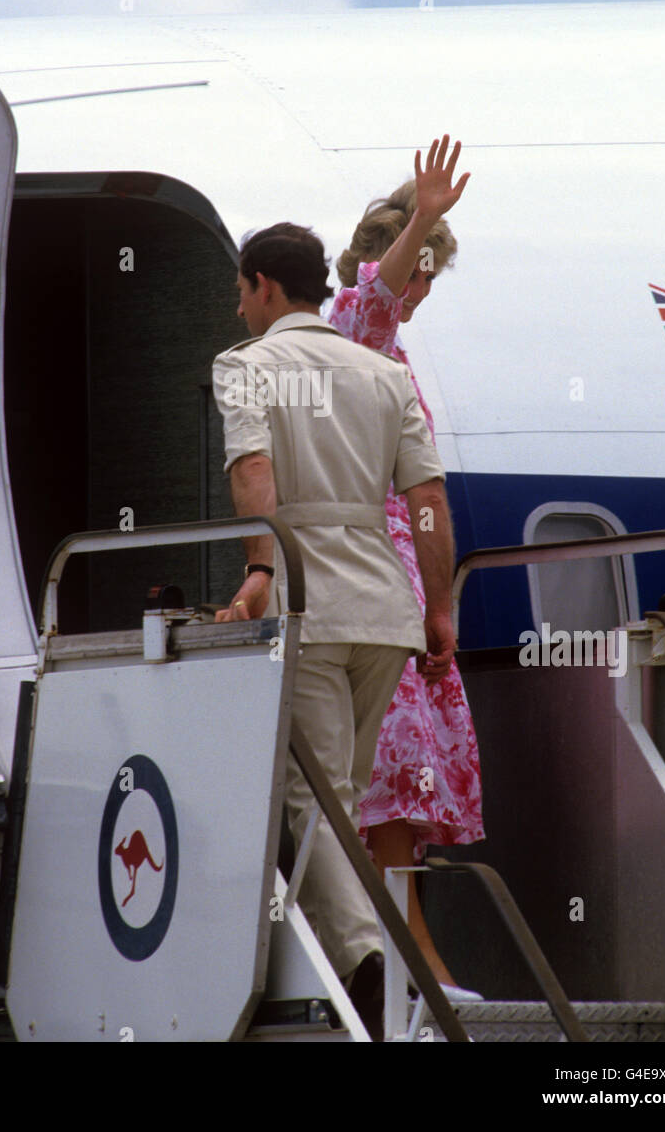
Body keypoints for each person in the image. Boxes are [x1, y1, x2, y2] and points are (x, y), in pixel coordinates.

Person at [211, 217, 458, 1039]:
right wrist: (438, 607)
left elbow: (253, 471)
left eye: (242, 290)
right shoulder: (383, 373)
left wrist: (258, 570)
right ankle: (362, 967)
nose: (238, 306)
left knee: (304, 797)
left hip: (306, 604)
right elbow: (426, 500)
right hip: (385, 614)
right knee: (338, 798)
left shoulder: (245, 366)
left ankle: (363, 960)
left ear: (265, 289)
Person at [329, 135, 484, 998]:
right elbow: (378, 296)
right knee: (388, 772)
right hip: (370, 578)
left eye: (430, 277)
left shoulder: (390, 349)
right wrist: (422, 216)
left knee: (400, 784)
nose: (421, 293)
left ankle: (414, 964)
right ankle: (415, 973)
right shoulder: (357, 322)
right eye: (422, 274)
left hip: (395, 579)